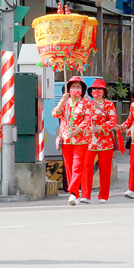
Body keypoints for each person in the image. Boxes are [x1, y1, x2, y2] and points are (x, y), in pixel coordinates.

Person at [70, 79, 117, 203]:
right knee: (86, 168)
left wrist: (99, 128)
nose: (97, 92)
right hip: (89, 141)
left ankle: (103, 196)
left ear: (104, 92)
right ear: (91, 92)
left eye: (99, 89)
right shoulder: (86, 104)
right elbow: (79, 119)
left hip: (105, 141)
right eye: (94, 89)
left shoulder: (109, 105)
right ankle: (85, 195)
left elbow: (112, 122)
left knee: (105, 169)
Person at [52, 77, 89, 205]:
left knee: (77, 166)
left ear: (82, 90)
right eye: (73, 87)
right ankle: (74, 194)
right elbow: (55, 113)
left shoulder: (86, 103)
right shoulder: (65, 103)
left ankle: (72, 192)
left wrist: (75, 131)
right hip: (66, 139)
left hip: (81, 139)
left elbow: (87, 121)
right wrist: (63, 100)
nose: (75, 89)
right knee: (68, 167)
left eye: (78, 87)